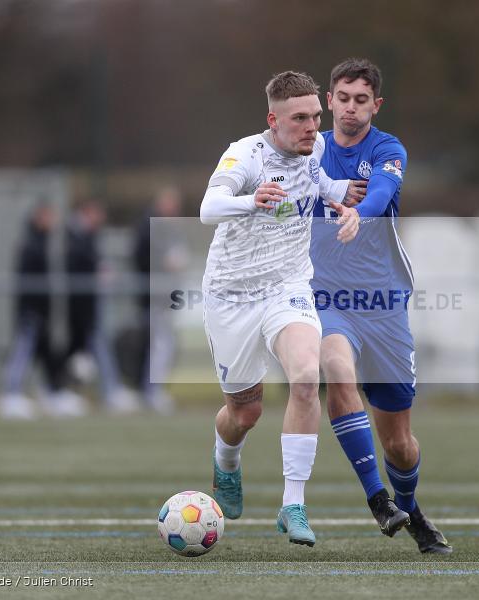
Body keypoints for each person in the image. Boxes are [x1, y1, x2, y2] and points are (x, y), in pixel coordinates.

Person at [200, 70, 361, 547]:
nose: (313, 126)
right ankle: (225, 463)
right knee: (244, 413)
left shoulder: (314, 154)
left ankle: (293, 505)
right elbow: (208, 207)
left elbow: (328, 188)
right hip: (231, 295)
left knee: (307, 377)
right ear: (274, 119)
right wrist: (252, 200)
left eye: (316, 116)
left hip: (287, 287)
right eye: (300, 118)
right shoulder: (246, 153)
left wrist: (347, 208)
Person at [310, 58, 452, 553]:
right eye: (342, 98)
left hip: (384, 301)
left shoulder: (388, 149)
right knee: (334, 366)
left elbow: (383, 193)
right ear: (329, 100)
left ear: (376, 105)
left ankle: (409, 508)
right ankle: (377, 500)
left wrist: (357, 213)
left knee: (400, 443)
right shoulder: (307, 151)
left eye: (361, 100)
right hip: (325, 296)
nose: (350, 108)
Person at [58, 198, 138, 415]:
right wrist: (96, 269)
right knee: (78, 350)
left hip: (88, 305)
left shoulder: (85, 235)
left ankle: (107, 390)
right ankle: (65, 391)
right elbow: (80, 263)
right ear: (88, 212)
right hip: (80, 305)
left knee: (95, 349)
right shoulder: (74, 235)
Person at [0, 200, 61, 419]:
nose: (52, 221)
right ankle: (10, 394)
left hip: (40, 309)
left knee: (41, 352)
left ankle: (49, 392)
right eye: (48, 216)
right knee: (22, 350)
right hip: (30, 308)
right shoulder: (31, 244)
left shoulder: (42, 242)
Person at [130, 187, 189, 414]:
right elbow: (146, 259)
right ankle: (150, 391)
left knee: (162, 344)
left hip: (163, 296)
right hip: (154, 297)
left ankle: (151, 390)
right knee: (159, 344)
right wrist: (165, 262)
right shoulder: (150, 227)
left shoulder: (165, 227)